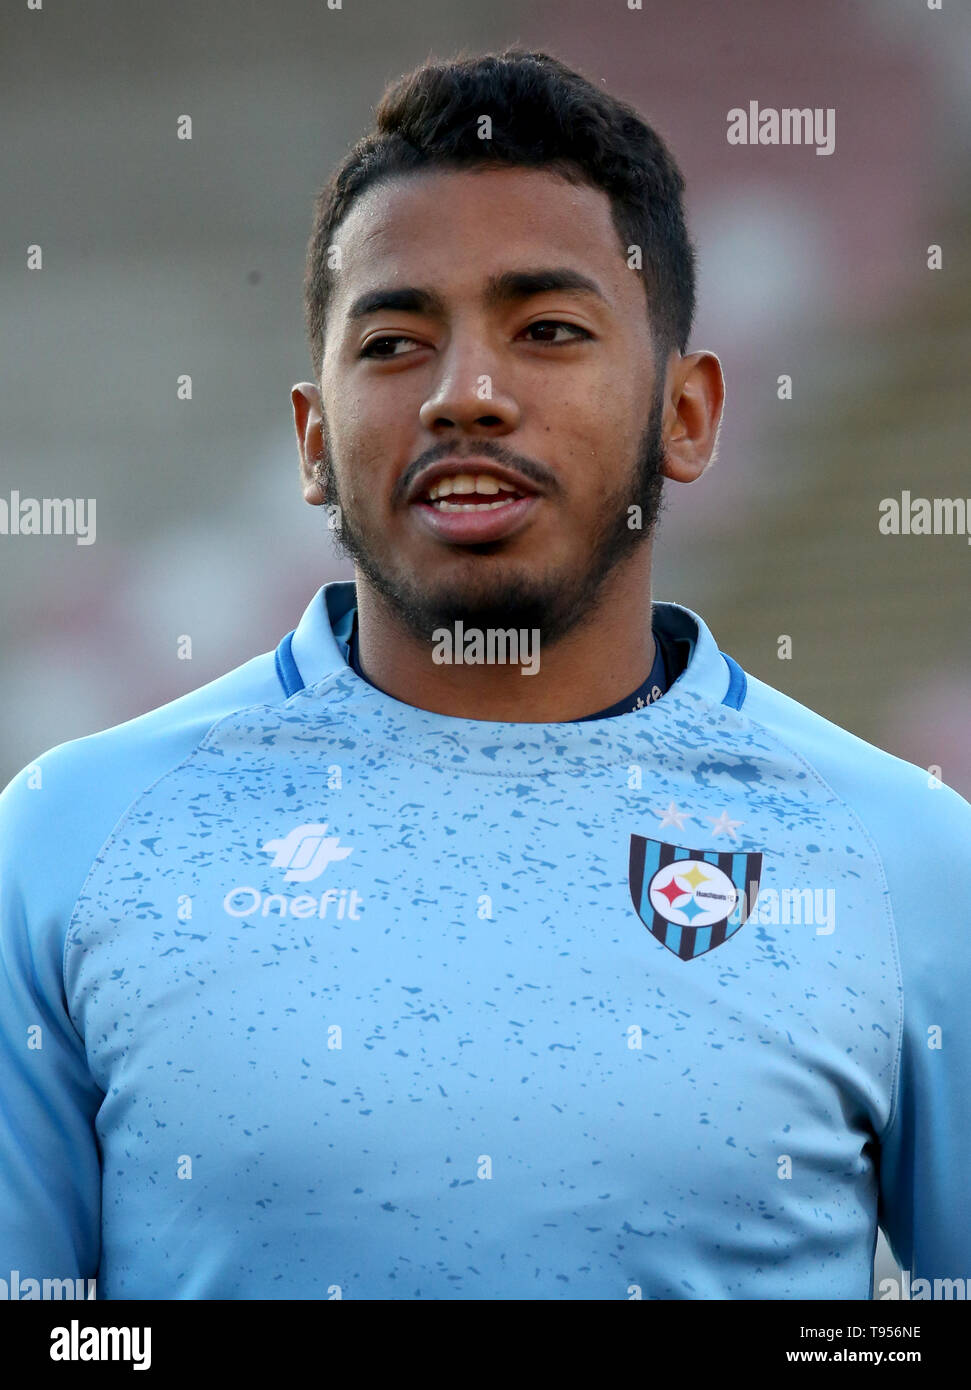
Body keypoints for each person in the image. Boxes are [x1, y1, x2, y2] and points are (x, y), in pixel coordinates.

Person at [1, 47, 968, 1302]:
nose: (466, 396)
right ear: (310, 439)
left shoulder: (907, 860)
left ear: (687, 415)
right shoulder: (66, 842)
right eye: (396, 341)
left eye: (548, 330)